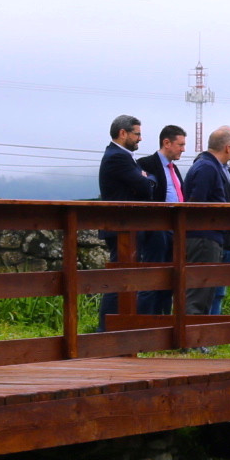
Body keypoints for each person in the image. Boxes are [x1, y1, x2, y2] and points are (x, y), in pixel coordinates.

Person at [96, 114, 153, 331]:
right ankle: (107, 329)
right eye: (137, 133)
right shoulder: (117, 157)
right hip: (121, 226)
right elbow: (146, 187)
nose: (140, 138)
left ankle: (118, 326)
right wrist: (146, 178)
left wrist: (145, 178)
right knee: (119, 279)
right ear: (123, 133)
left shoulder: (121, 156)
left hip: (125, 227)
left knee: (125, 279)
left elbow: (145, 183)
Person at [183, 125, 230, 319]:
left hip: (209, 236)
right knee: (199, 288)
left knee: (206, 289)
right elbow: (197, 204)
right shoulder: (207, 168)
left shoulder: (210, 166)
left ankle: (198, 337)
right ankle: (192, 337)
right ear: (227, 148)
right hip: (202, 236)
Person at [136, 124, 187, 316]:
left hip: (175, 229)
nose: (183, 149)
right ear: (167, 143)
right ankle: (145, 322)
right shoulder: (146, 164)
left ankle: (164, 321)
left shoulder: (174, 169)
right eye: (180, 144)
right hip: (156, 229)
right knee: (151, 277)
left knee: (170, 279)